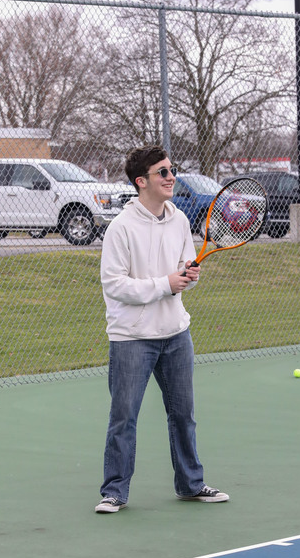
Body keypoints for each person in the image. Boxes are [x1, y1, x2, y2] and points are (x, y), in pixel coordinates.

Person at [95, 145, 229, 513]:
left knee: (183, 414)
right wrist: (166, 283)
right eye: (163, 172)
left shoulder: (181, 222)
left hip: (175, 334)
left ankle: (191, 484)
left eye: (172, 170)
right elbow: (115, 285)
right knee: (124, 418)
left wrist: (188, 277)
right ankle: (114, 492)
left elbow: (182, 275)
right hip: (132, 339)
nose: (172, 178)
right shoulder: (120, 228)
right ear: (142, 182)